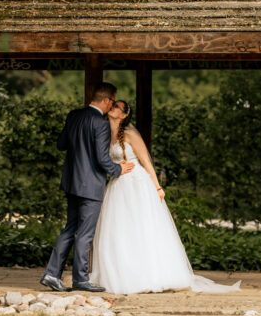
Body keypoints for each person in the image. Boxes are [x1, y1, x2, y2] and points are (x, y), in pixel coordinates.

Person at [90, 100, 240, 295]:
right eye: (113, 105)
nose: (113, 107)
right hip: (117, 185)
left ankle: (147, 275)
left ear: (124, 115)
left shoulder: (130, 134)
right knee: (118, 229)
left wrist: (157, 187)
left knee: (140, 228)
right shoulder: (105, 134)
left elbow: (146, 162)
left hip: (136, 184)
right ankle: (120, 274)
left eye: (117, 107)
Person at [41, 82, 134, 293]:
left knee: (70, 229)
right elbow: (102, 159)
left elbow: (61, 144)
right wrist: (118, 169)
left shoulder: (74, 115)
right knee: (84, 234)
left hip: (71, 181)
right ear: (107, 100)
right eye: (111, 103)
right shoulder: (99, 123)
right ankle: (80, 280)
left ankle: (51, 274)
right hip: (90, 185)